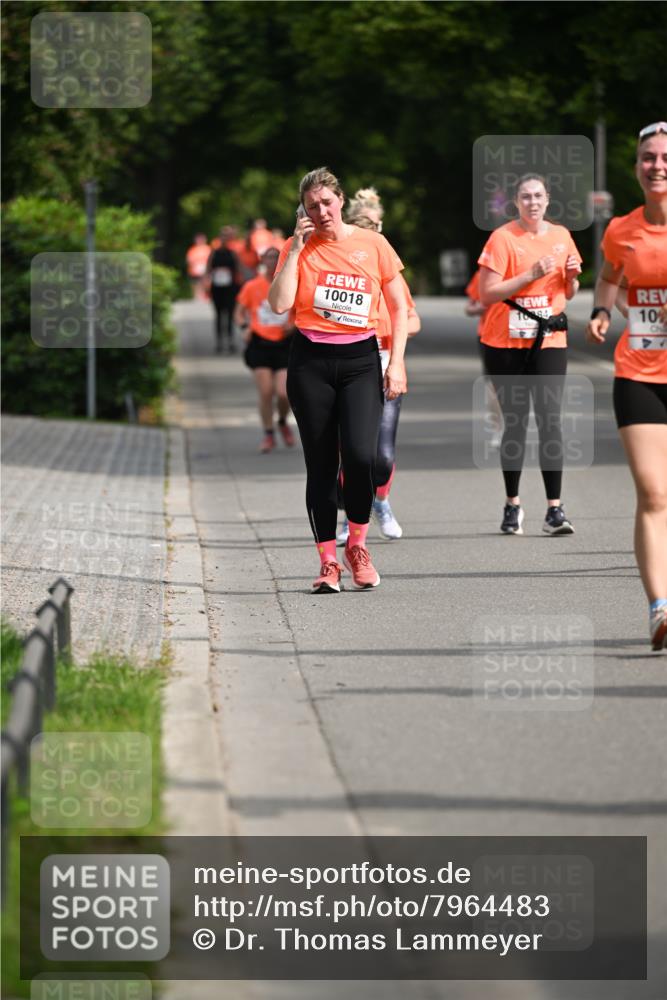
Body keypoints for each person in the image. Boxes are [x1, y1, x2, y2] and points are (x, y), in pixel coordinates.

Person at [269, 167, 408, 593]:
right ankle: (328, 560)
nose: (322, 211)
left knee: (362, 457)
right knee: (323, 465)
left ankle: (358, 547)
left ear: (341, 200)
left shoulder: (373, 244)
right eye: (312, 206)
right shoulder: (298, 247)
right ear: (303, 211)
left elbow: (400, 307)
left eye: (327, 202)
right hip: (311, 362)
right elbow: (279, 306)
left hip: (361, 360)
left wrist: (396, 363)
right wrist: (294, 249)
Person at [586, 122, 667, 651]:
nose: (657, 165)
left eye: (664, 157)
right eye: (647, 158)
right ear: (636, 166)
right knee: (654, 492)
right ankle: (660, 608)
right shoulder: (621, 229)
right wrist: (601, 309)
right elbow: (611, 277)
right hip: (638, 370)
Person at [478, 172, 582, 535]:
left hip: (549, 340)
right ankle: (513, 505)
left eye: (538, 196)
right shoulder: (503, 238)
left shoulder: (561, 236)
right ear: (516, 202)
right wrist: (529, 275)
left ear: (548, 200)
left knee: (551, 420)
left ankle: (555, 509)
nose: (532, 202)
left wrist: (571, 277)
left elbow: (568, 289)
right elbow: (486, 292)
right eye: (526, 197)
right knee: (516, 423)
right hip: (506, 343)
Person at [336, 187, 420, 543]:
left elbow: (413, 319)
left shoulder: (390, 275)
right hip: (348, 363)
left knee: (381, 455)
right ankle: (347, 517)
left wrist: (396, 337)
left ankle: (380, 501)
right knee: (353, 452)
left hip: (385, 362)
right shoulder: (342, 275)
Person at [234, 246, 296, 453]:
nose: (272, 261)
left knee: (283, 392)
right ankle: (269, 434)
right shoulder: (252, 286)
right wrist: (245, 327)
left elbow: (303, 311)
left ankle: (282, 421)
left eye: (276, 258)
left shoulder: (291, 283)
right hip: (260, 344)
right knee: (266, 392)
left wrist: (294, 325)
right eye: (269, 258)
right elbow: (239, 313)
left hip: (284, 344)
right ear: (262, 261)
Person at [464, 268, 503, 449]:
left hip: (522, 337)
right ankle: (497, 428)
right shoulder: (483, 274)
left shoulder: (529, 270)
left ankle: (517, 426)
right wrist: (478, 308)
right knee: (493, 386)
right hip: (489, 336)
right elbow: (469, 307)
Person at [206, 227, 240, 354]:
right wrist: (207, 283)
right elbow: (208, 269)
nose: (225, 239)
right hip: (217, 288)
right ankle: (219, 342)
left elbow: (238, 268)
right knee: (219, 314)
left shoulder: (233, 253)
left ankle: (230, 341)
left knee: (230, 314)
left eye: (227, 236)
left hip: (230, 288)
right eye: (223, 236)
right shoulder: (214, 253)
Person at [185, 233, 210, 300]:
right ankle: (196, 297)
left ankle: (204, 295)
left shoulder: (208, 248)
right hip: (194, 270)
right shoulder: (192, 249)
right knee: (195, 284)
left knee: (205, 283)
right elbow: (189, 259)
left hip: (205, 270)